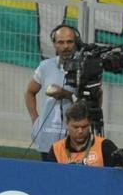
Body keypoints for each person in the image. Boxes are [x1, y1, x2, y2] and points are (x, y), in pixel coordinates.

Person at [24, 24, 82, 161]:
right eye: (61, 42)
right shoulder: (45, 66)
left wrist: (66, 95)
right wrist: (35, 119)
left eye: (69, 42)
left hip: (75, 137)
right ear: (54, 44)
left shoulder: (85, 67)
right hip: (48, 135)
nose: (66, 46)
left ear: (76, 43)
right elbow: (29, 92)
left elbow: (92, 101)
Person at [51, 101, 122, 166]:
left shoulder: (105, 146)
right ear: (67, 124)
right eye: (76, 127)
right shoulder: (56, 149)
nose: (80, 131)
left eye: (84, 126)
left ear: (90, 124)